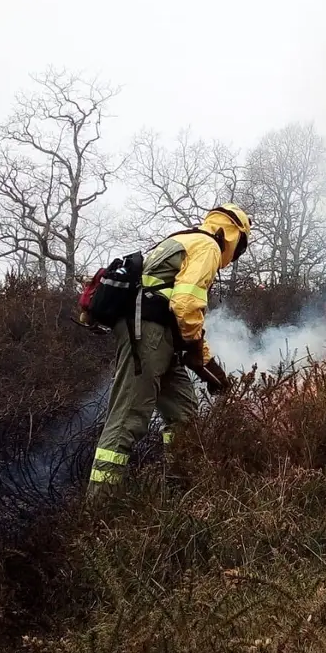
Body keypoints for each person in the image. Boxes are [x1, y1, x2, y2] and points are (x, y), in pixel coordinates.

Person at [87, 203, 252, 496]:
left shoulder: (184, 238)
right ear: (232, 236)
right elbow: (186, 305)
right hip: (148, 334)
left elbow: (178, 308)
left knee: (184, 416)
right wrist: (196, 350)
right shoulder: (208, 246)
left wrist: (205, 362)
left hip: (161, 338)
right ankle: (98, 508)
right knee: (127, 419)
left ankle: (181, 492)